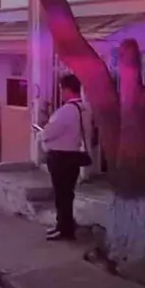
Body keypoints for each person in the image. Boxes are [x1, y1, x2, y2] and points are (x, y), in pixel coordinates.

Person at [38, 74, 92, 241]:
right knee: (67, 194)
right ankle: (65, 226)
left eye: (62, 89)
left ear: (68, 90)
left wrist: (42, 133)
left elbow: (48, 133)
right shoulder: (84, 109)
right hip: (73, 155)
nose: (61, 93)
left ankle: (64, 228)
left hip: (61, 157)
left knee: (61, 194)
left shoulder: (66, 111)